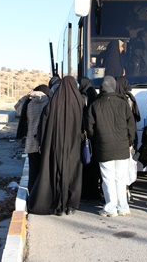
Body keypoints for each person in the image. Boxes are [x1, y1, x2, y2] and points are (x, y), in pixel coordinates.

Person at [27, 76, 85, 216]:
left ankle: (57, 205)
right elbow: (85, 124)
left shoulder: (53, 103)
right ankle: (70, 205)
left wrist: (43, 142)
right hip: (74, 146)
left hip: (55, 146)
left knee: (56, 173)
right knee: (73, 174)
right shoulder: (79, 102)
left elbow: (44, 125)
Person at [85, 76, 136, 217]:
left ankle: (110, 208)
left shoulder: (95, 104)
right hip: (122, 147)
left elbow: (89, 127)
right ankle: (123, 207)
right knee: (120, 178)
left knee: (107, 178)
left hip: (104, 148)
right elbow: (131, 125)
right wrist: (130, 141)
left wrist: (96, 139)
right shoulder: (123, 103)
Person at [24, 84, 51, 192]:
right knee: (43, 170)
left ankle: (32, 193)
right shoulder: (49, 102)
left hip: (31, 140)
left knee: (33, 170)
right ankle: (42, 194)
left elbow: (17, 107)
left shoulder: (29, 103)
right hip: (44, 140)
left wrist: (26, 97)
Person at [78, 77, 102, 201]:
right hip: (95, 136)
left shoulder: (82, 96)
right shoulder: (95, 94)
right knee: (94, 166)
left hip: (85, 135)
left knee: (85, 162)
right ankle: (94, 191)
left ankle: (85, 191)